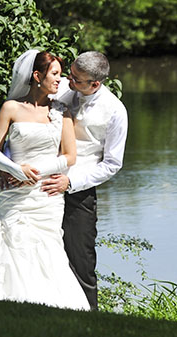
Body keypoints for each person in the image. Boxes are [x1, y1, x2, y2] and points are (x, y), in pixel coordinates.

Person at [0, 49, 89, 311]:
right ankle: (2, 305)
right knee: (9, 243)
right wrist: (15, 169)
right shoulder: (11, 108)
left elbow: (70, 156)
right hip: (14, 193)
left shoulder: (62, 112)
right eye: (55, 74)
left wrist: (36, 172)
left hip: (45, 195)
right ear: (36, 75)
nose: (60, 79)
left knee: (47, 249)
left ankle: (50, 306)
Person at [38, 51, 128, 311]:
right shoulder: (61, 92)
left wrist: (71, 182)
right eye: (70, 74)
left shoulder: (115, 111)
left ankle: (90, 320)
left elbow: (112, 164)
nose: (69, 80)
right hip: (43, 184)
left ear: (95, 84)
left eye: (76, 79)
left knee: (81, 260)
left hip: (80, 192)